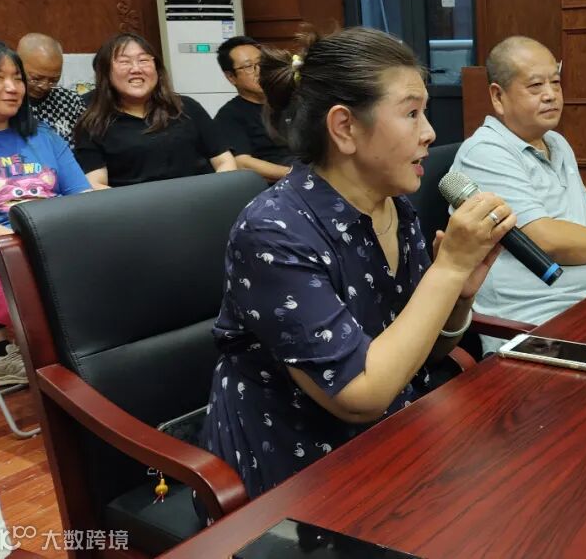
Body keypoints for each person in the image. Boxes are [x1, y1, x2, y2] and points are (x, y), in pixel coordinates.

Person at [197, 27, 516, 501]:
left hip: (396, 432)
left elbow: (420, 354)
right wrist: (446, 270)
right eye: (411, 113)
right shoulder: (273, 232)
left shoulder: (395, 208)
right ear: (344, 127)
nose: (430, 132)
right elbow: (360, 395)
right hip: (298, 464)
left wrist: (458, 296)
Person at [450, 36, 586, 354]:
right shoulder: (484, 152)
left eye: (556, 82)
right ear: (498, 96)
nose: (551, 95)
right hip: (537, 327)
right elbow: (546, 240)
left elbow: (583, 231)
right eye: (536, 86)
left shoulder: (557, 143)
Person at [0, 40, 91, 384]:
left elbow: (81, 196)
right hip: (2, 250)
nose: (12, 87)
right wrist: (26, 240)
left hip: (56, 238)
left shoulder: (44, 136)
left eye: (17, 78)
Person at [74, 33, 236, 188]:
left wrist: (215, 194)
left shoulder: (186, 107)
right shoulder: (92, 121)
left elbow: (224, 161)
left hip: (201, 199)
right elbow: (95, 183)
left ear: (157, 69)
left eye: (143, 60)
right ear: (105, 72)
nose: (136, 69)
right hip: (135, 205)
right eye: (124, 62)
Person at [215, 36, 294, 182]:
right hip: (279, 184)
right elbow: (242, 162)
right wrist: (294, 174)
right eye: (249, 66)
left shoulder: (292, 99)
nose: (259, 71)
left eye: (261, 63)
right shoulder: (229, 115)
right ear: (231, 77)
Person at [15, 33, 87, 148]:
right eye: (36, 78)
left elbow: (87, 147)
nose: (44, 86)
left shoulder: (70, 101)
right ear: (17, 65)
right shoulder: (5, 102)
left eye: (53, 80)